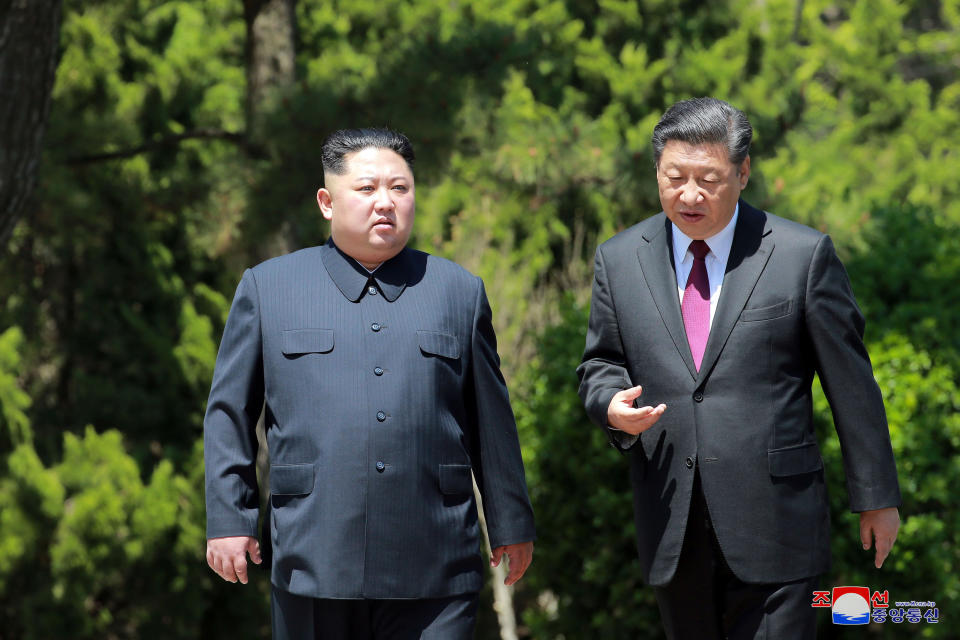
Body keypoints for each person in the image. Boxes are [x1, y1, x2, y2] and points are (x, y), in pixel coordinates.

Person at [577, 98, 900, 639]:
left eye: (709, 178)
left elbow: (852, 386)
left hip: (778, 522)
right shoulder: (619, 258)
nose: (690, 195)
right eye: (674, 177)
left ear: (743, 172)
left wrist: (877, 498)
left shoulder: (801, 254)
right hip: (672, 520)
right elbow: (600, 362)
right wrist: (609, 405)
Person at [204, 128, 535, 639]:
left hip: (436, 555)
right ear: (326, 202)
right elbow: (228, 412)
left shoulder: (458, 292)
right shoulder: (269, 288)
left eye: (400, 188)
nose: (386, 202)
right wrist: (231, 516)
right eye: (367, 189)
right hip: (313, 553)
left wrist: (510, 522)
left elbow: (491, 421)